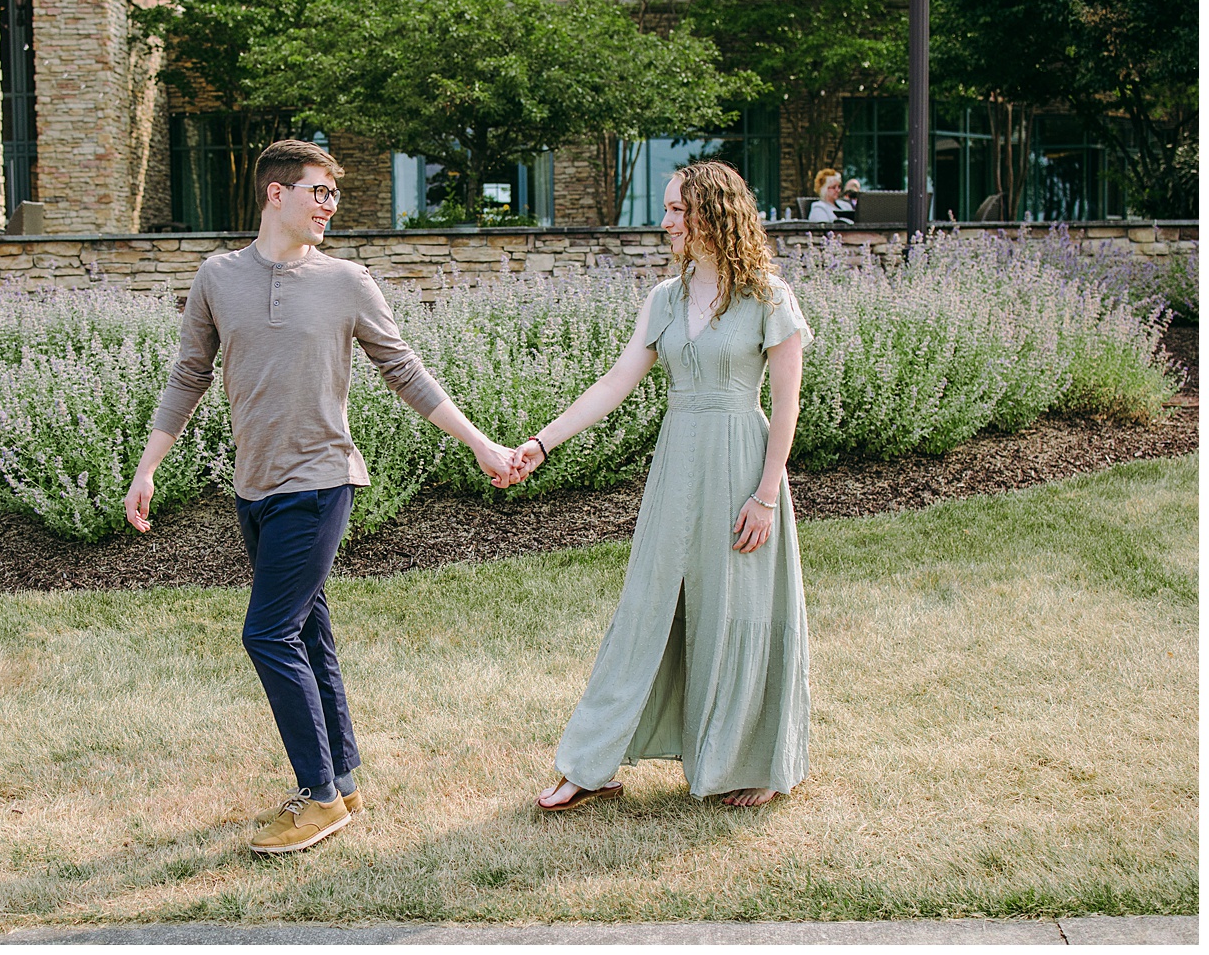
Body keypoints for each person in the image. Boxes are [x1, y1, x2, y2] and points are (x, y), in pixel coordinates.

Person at [123, 139, 517, 854]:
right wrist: (148, 466)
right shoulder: (218, 276)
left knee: (266, 633)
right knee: (306, 632)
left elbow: (406, 371)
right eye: (318, 192)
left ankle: (318, 797)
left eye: (335, 195)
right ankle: (342, 778)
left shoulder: (348, 281)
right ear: (276, 193)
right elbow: (189, 374)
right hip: (255, 487)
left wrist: (480, 443)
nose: (329, 206)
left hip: (321, 480)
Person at [511, 159, 813, 811]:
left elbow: (786, 407)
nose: (667, 219)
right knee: (646, 606)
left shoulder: (769, 297)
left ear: (715, 214)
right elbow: (614, 384)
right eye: (671, 208)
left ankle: (750, 762)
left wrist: (765, 494)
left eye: (680, 208)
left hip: (743, 468)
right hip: (677, 466)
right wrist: (542, 442)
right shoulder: (664, 299)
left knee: (740, 612)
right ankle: (590, 762)